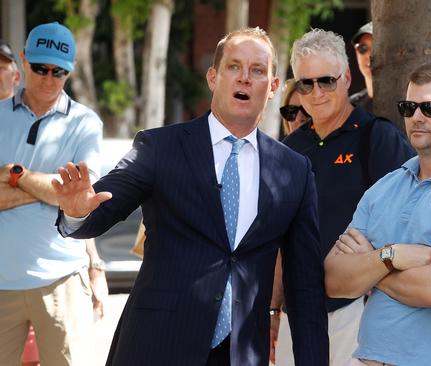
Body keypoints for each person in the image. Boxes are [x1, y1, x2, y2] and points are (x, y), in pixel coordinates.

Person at [53, 27, 328, 366]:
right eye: (233, 67)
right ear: (213, 77)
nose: (244, 78)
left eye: (257, 70)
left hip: (240, 354)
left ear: (272, 87)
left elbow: (305, 290)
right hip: (156, 345)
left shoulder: (295, 170)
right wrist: (78, 211)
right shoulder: (160, 147)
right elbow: (103, 206)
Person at [325, 61, 431, 366]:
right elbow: (333, 280)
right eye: (409, 107)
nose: (417, 117)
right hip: (369, 359)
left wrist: (371, 269)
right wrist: (390, 256)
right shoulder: (385, 186)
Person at [275, 29, 415, 365]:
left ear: (346, 78)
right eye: (306, 83)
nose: (317, 92)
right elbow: (278, 239)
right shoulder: (288, 150)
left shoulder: (376, 137)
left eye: (326, 80)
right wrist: (270, 309)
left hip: (360, 308)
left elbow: (412, 215)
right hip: (297, 312)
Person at [0, 22, 105, 365]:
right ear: (23, 60)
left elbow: (79, 196)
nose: (48, 78)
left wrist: (16, 175)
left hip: (63, 281)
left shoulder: (85, 123)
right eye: (40, 68)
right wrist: (51, 189)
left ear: (70, 71)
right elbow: (64, 194)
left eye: (58, 71)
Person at [349, 22, 373, 113]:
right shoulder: (350, 107)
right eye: (363, 48)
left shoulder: (407, 105)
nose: (370, 55)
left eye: (377, 47)